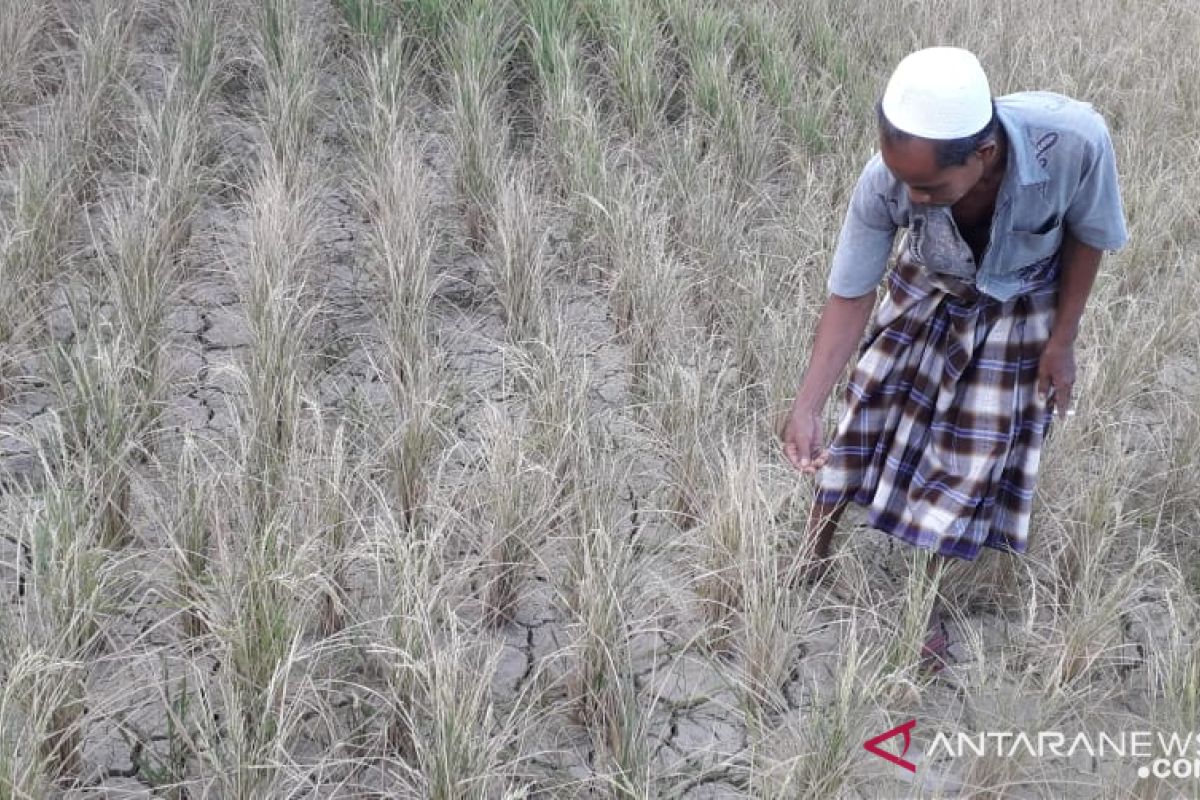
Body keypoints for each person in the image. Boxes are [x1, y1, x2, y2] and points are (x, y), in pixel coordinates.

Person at [780, 47, 1128, 672]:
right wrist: (807, 404)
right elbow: (852, 289)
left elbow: (1089, 235)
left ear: (984, 155)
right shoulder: (886, 180)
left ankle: (923, 606)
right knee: (867, 412)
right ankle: (812, 552)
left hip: (1018, 304)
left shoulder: (1074, 142)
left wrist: (1062, 340)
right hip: (929, 285)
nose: (913, 196)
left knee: (971, 458)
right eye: (903, 179)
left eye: (931, 186)